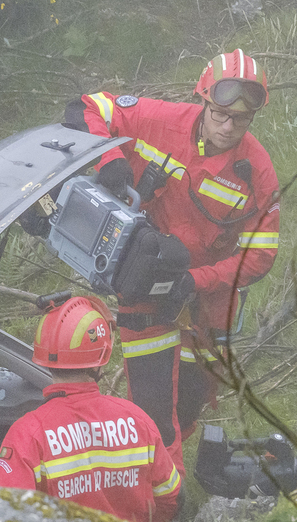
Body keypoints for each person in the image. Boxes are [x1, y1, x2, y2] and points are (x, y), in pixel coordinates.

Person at [63, 49, 280, 475]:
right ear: (203, 100)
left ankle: (167, 472)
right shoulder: (159, 121)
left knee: (189, 404)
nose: (228, 126)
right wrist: (110, 161)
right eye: (220, 114)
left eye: (241, 120)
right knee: (154, 408)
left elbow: (260, 257)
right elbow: (89, 105)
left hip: (205, 302)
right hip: (145, 289)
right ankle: (165, 499)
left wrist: (197, 281)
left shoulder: (258, 172)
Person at [0, 295, 181, 522]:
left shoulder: (28, 435)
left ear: (43, 354)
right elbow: (170, 497)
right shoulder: (137, 420)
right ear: (101, 357)